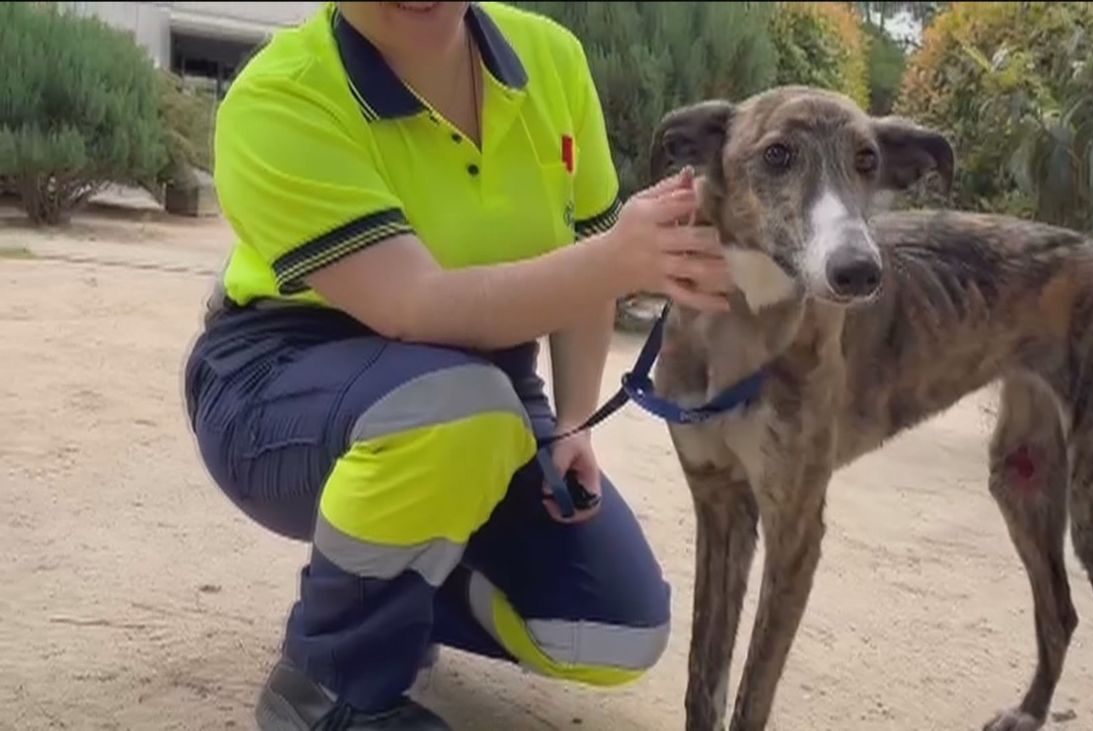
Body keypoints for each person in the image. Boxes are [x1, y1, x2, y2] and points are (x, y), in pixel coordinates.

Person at [181, 2, 733, 729]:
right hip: (280, 373)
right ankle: (327, 689)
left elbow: (585, 258)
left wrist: (574, 420)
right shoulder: (280, 97)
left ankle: (400, 588)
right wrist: (619, 259)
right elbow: (413, 304)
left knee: (618, 630)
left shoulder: (552, 59)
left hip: (482, 385)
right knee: (455, 407)